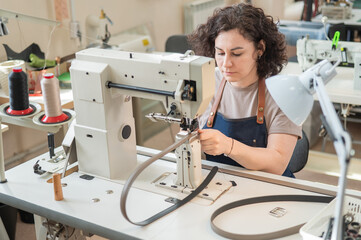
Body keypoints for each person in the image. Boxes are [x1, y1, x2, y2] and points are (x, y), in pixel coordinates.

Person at [187, 3, 302, 178]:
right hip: (221, 179)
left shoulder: (284, 93)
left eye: (237, 53)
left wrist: (229, 146)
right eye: (220, 53)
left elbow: (277, 163)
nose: (226, 64)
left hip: (270, 185)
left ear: (260, 49)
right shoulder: (208, 82)